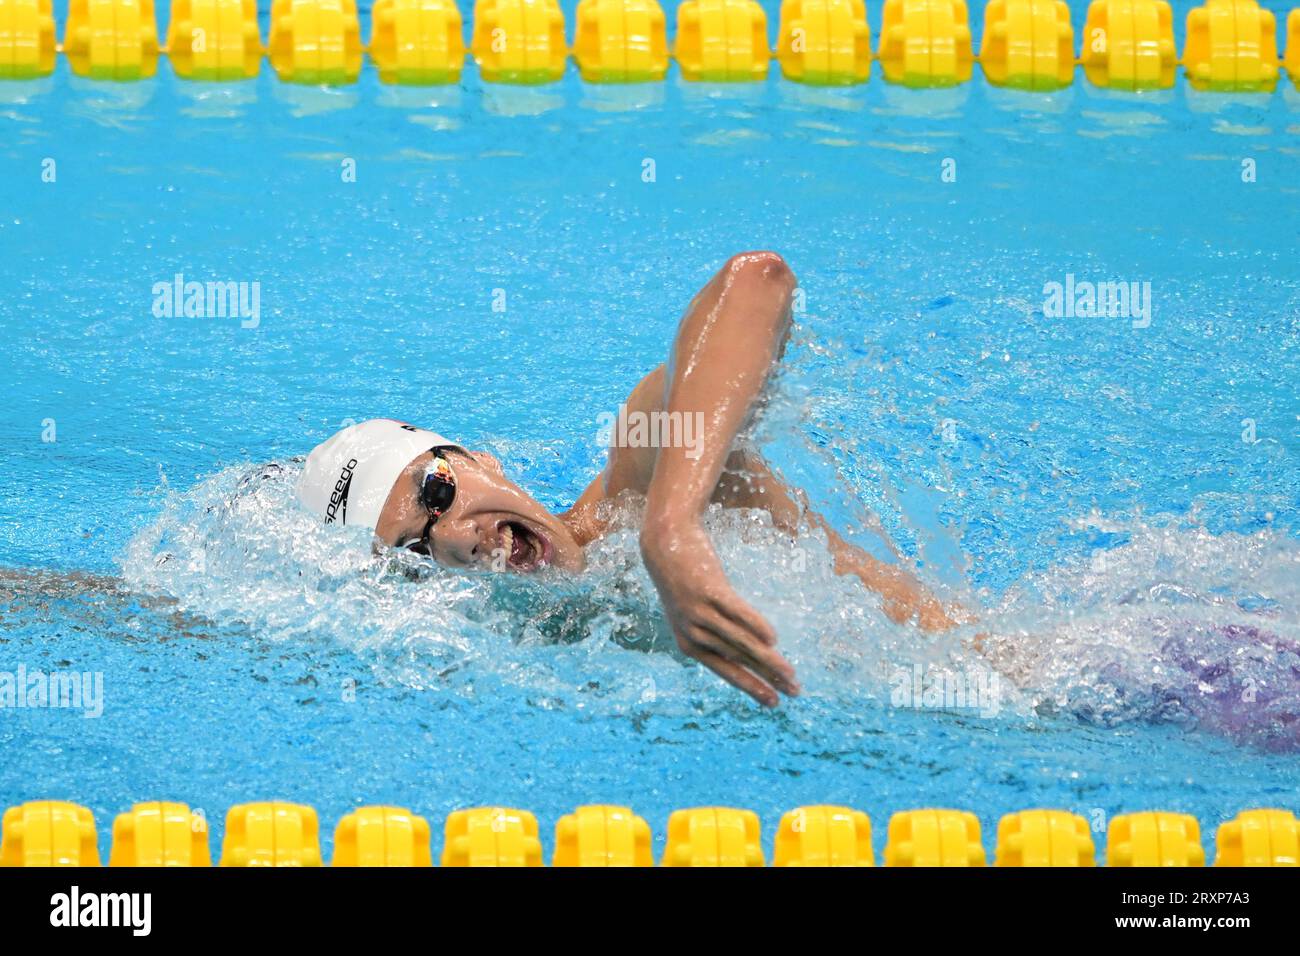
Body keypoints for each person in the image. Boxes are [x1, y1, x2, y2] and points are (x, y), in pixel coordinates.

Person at [297, 252, 957, 706]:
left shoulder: (635, 491)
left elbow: (758, 281)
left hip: (1031, 694)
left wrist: (672, 527)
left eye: (436, 492)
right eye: (416, 553)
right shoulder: (526, 656)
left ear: (480, 461)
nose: (454, 542)